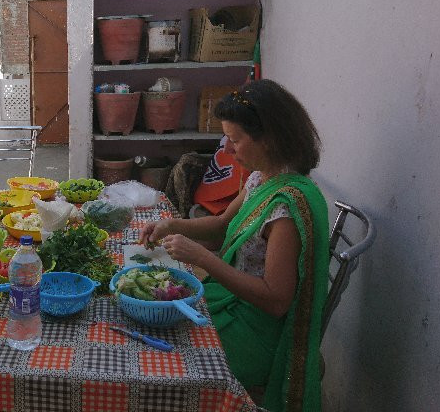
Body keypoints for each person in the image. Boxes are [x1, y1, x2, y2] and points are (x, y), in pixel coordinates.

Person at [139, 79, 329, 412]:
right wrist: (171, 224)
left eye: (235, 139)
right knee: (157, 315)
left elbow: (275, 301)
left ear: (268, 140)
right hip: (235, 303)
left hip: (259, 330)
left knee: (163, 354)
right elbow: (220, 224)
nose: (227, 148)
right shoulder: (261, 178)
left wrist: (202, 258)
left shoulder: (285, 209)